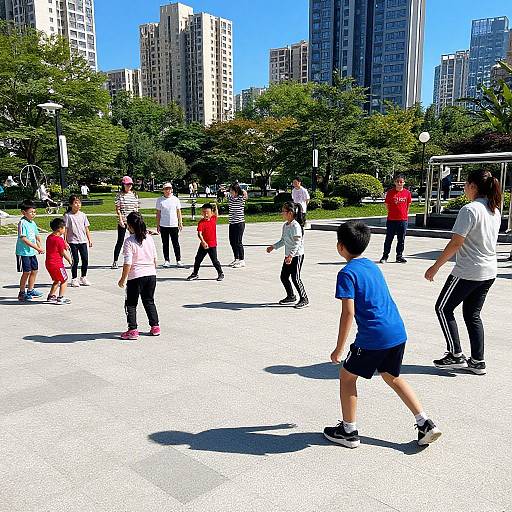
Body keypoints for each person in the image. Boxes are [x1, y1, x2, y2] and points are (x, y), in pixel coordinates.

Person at [323, 220, 442, 448]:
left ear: (340, 247)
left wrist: (339, 348)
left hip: (373, 338)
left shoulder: (347, 273)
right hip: (397, 332)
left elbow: (348, 313)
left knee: (347, 377)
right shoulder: (371, 265)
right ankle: (425, 422)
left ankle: (348, 431)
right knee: (391, 376)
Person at [425, 170, 502, 375]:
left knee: (443, 308)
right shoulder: (494, 209)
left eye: (466, 185)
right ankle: (477, 361)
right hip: (488, 271)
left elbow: (456, 242)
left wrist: (436, 266)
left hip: (469, 270)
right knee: (472, 315)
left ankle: (455, 355)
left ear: (473, 187)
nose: (465, 189)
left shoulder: (469, 210)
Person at [118, 212, 160, 340]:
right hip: (151, 275)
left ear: (130, 226)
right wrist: (152, 270)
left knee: (130, 303)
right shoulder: (149, 238)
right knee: (149, 301)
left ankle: (133, 329)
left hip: (136, 276)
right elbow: (155, 258)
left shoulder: (129, 241)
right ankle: (155, 326)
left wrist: (122, 279)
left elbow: (128, 263)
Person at [266, 201, 309, 309]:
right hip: (289, 256)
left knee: (295, 278)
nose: (281, 213)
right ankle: (291, 296)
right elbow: (283, 241)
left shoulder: (296, 226)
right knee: (284, 277)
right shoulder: (285, 226)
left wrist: (290, 256)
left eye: (283, 211)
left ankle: (304, 299)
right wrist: (273, 247)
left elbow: (297, 243)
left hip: (297, 255)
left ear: (290, 213)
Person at [187, 203, 224, 282]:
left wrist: (215, 205)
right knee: (198, 259)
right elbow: (199, 233)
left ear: (211, 213)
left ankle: (220, 273)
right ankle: (195, 274)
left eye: (207, 212)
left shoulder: (213, 218)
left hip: (212, 244)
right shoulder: (201, 222)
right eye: (204, 212)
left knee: (214, 260)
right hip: (204, 245)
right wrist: (203, 242)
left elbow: (216, 213)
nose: (206, 214)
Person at [16, 200, 44, 301]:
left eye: (34, 212)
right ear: (23, 212)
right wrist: (37, 248)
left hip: (32, 252)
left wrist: (39, 246)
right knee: (26, 272)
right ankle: (22, 293)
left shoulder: (32, 223)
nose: (33, 214)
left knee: (34, 270)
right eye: (31, 212)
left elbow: (37, 236)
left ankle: (31, 290)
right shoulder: (22, 223)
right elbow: (23, 239)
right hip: (23, 252)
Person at [380, 174, 412, 264]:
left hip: (403, 220)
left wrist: (405, 215)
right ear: (395, 182)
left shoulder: (407, 193)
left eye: (401, 182)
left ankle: (399, 256)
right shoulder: (390, 192)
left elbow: (408, 205)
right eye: (397, 181)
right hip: (391, 220)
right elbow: (387, 205)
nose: (399, 183)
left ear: (404, 183)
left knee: (401, 239)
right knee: (389, 238)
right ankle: (385, 256)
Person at [64, 195, 92, 287]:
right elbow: (66, 229)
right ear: (71, 204)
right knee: (75, 260)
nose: (78, 204)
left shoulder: (83, 215)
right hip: (72, 242)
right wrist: (65, 241)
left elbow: (86, 228)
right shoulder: (68, 216)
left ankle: (83, 277)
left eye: (79, 202)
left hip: (83, 241)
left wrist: (89, 239)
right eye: (75, 202)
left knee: (85, 260)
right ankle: (74, 278)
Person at [112, 176, 139, 269]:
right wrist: (120, 220)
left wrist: (137, 220)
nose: (129, 186)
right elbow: (118, 209)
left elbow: (136, 208)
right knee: (120, 240)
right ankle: (115, 261)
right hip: (123, 220)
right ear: (123, 185)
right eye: (127, 184)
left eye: (130, 184)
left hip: (133, 220)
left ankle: (135, 259)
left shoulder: (134, 195)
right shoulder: (119, 195)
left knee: (135, 239)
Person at [45, 218, 73, 304]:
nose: (65, 230)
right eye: (64, 228)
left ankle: (51, 296)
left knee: (56, 280)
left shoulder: (49, 237)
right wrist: (70, 260)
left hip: (49, 263)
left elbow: (55, 247)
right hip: (57, 264)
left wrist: (64, 244)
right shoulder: (59, 239)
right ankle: (61, 298)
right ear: (59, 229)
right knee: (64, 280)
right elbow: (62, 252)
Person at [156, 183, 183, 268]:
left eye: (169, 189)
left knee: (176, 243)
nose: (168, 191)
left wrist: (180, 222)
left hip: (174, 225)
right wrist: (158, 224)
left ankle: (178, 260)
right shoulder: (160, 200)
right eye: (166, 189)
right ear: (163, 190)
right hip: (164, 225)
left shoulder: (175, 199)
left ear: (172, 190)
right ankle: (167, 260)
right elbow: (158, 213)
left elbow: (178, 212)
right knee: (165, 243)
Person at [228, 183, 248, 268]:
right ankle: (236, 258)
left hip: (239, 223)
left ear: (236, 191)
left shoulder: (241, 198)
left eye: (232, 190)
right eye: (230, 190)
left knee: (238, 242)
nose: (230, 192)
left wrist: (241, 190)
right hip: (232, 223)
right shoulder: (230, 198)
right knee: (232, 241)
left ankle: (242, 260)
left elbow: (245, 194)